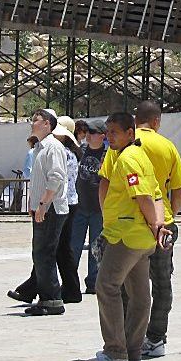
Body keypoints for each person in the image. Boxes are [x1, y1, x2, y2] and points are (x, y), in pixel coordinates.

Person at [89, 111, 167, 361]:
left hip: (126, 234)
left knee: (107, 286)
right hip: (142, 237)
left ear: (129, 133)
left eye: (114, 132)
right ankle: (133, 353)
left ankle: (115, 351)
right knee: (140, 294)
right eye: (107, 132)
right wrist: (157, 225)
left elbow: (143, 195)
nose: (109, 137)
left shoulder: (127, 159)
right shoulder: (140, 156)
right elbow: (157, 194)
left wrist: (154, 224)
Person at [116, 101, 181, 360]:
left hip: (129, 222)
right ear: (156, 121)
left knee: (127, 284)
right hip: (162, 222)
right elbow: (179, 189)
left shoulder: (124, 145)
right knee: (161, 282)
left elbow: (106, 181)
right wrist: (171, 215)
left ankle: (126, 337)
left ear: (135, 121)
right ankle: (156, 338)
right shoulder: (167, 146)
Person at [12, 119, 83, 304]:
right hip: (64, 203)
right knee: (54, 250)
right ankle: (50, 290)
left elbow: (55, 178)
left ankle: (47, 294)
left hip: (58, 203)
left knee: (49, 250)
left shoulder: (57, 150)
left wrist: (43, 203)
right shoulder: (64, 151)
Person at [71, 118, 107, 294]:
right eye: (86, 132)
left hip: (98, 209)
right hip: (80, 207)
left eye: (92, 133)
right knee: (74, 246)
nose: (88, 136)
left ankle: (93, 282)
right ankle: (71, 281)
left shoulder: (108, 155)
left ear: (102, 136)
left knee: (95, 246)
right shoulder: (81, 151)